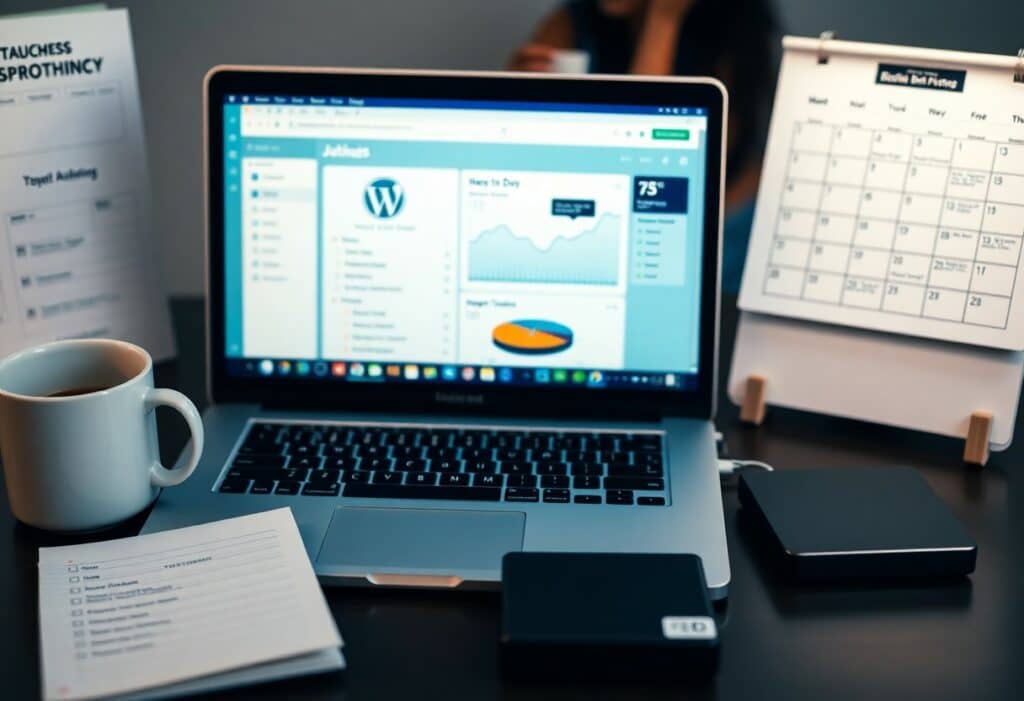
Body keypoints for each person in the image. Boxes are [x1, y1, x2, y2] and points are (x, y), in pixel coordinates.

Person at [508, 0, 781, 291]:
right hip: (609, 218)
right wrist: (516, 100)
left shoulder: (732, 33)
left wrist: (663, 21)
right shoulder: (570, 22)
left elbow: (648, 163)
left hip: (716, 223)